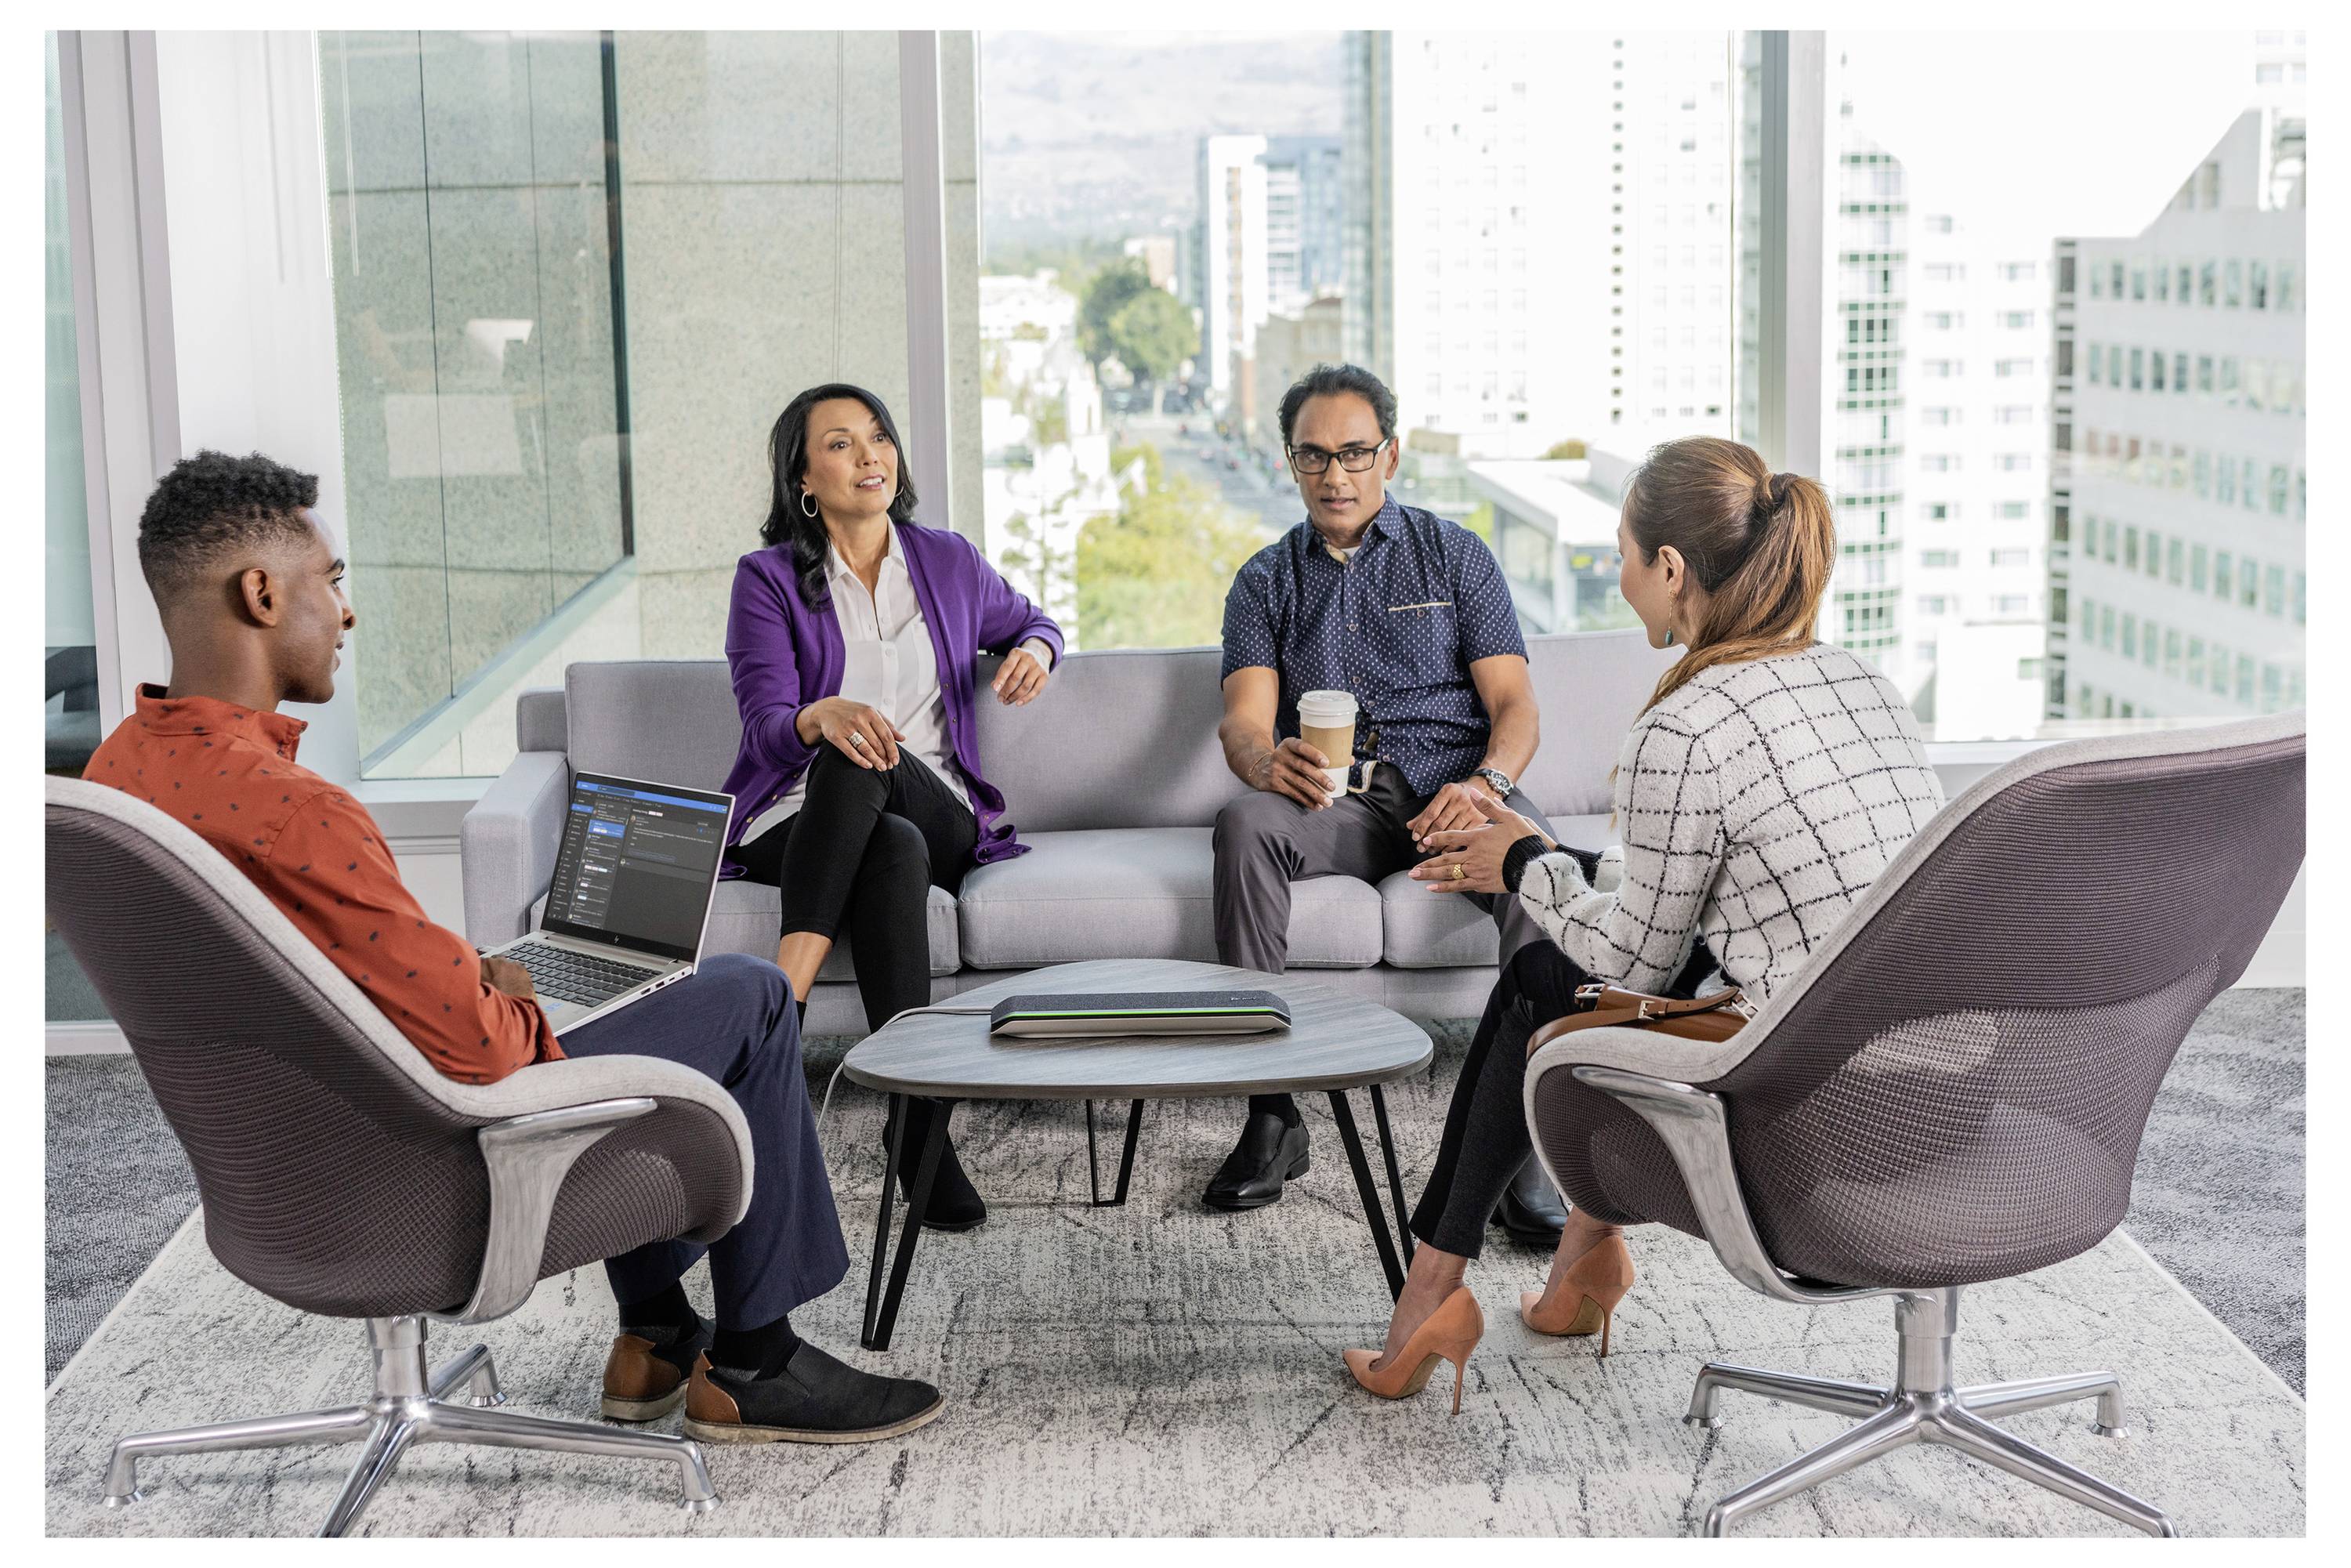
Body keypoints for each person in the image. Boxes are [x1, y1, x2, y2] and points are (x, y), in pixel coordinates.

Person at [85, 451, 940, 1446]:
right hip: (424, 1176)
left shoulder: (120, 773)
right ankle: (759, 1363)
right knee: (747, 997)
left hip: (282, 1174)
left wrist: (459, 970)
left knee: (612, 998)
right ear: (263, 593)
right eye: (334, 582)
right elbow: (489, 1054)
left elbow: (298, 971)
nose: (346, 613)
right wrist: (502, 993)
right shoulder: (297, 813)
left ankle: (657, 1335)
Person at [1342, 434, 1947, 1410]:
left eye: (1624, 552)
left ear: (1670, 569)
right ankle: (1584, 1263)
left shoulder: (1688, 725)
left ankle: (1428, 1302)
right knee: (1608, 924)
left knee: (1542, 981)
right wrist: (1547, 865)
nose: (1620, 575)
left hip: (1817, 1122)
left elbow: (1632, 960)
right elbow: (1701, 902)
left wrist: (1525, 864)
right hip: (1940, 1092)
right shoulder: (1862, 683)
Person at [1207, 362, 1567, 1237]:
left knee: (1547, 881)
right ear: (1290, 464)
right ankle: (1272, 1116)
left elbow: (1516, 709)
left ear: (1390, 456)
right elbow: (1241, 725)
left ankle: (1534, 1142)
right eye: (1315, 457)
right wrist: (1266, 765)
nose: (1336, 475)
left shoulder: (1456, 555)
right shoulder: (1264, 582)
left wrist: (1486, 785)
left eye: (1355, 453)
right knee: (1244, 823)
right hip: (1345, 806)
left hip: (1459, 796)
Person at [721, 384, 1063, 1233]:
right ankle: (918, 1129)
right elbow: (766, 728)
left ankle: (779, 1011)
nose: (870, 455)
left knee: (874, 772)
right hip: (794, 817)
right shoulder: (766, 582)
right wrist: (816, 714)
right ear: (803, 477)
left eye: (878, 438)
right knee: (886, 836)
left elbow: (1040, 621)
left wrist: (1034, 649)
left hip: (937, 800)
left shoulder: (947, 561)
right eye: (840, 444)